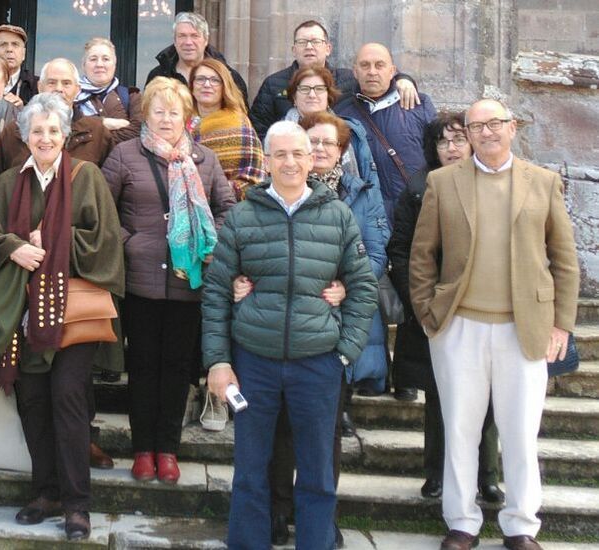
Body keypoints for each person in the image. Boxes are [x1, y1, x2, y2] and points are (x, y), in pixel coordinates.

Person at [410, 99, 579, 550]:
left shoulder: (543, 182)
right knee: (460, 429)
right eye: (477, 126)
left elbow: (564, 260)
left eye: (495, 124)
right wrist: (428, 313)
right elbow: (422, 254)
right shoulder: (443, 182)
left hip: (524, 328)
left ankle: (521, 526)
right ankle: (462, 522)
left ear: (512, 128)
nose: (487, 132)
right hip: (459, 326)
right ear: (467, 134)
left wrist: (561, 326)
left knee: (520, 432)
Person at [203, 120, 377, 550]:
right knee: (250, 471)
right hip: (254, 363)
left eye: (298, 153)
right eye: (280, 154)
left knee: (317, 473)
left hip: (318, 362)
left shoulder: (337, 215)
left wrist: (345, 351)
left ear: (311, 159)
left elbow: (363, 286)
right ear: (266, 161)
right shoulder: (243, 216)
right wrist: (219, 361)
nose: (290, 162)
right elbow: (217, 292)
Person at [0, 92, 124, 541]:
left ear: (65, 135)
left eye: (53, 130)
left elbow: (105, 240)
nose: (45, 138)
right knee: (33, 401)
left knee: (67, 399)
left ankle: (77, 503)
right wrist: (15, 247)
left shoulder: (87, 176)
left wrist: (54, 241)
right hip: (23, 310)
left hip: (72, 312)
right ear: (25, 136)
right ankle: (45, 492)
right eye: (36, 130)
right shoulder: (8, 183)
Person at [102, 76, 235, 484]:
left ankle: (168, 450)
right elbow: (101, 209)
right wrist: (130, 242)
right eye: (157, 111)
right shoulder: (124, 154)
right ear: (145, 115)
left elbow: (228, 207)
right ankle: (143, 450)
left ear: (186, 117)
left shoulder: (205, 160)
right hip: (140, 281)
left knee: (178, 370)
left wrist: (210, 240)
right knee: (143, 368)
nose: (165, 119)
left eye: (173, 112)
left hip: (188, 281)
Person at [388, 112, 504, 504]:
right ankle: (436, 473)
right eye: (443, 141)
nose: (451, 148)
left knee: (488, 396)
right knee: (440, 396)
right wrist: (419, 302)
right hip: (436, 310)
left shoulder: (491, 183)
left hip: (483, 306)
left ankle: (487, 476)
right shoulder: (418, 188)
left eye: (458, 140)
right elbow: (401, 250)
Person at [249, 20, 419, 139]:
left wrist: (403, 79)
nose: (309, 47)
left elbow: (376, 79)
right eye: (302, 42)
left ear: (328, 48)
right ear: (294, 50)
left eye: (316, 41)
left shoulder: (349, 79)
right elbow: (258, 130)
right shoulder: (273, 84)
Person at [334, 43, 435, 224]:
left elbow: (438, 155)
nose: (372, 72)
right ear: (355, 72)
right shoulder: (341, 113)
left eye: (379, 65)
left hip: (415, 213)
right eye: (365, 65)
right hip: (365, 219)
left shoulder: (418, 104)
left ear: (392, 71)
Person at [0, 58, 112, 186]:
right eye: (51, 83)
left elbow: (107, 188)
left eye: (66, 83)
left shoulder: (97, 132)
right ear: (39, 87)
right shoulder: (13, 131)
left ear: (78, 90)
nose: (59, 89)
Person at [188, 58, 265, 201]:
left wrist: (217, 191)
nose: (207, 84)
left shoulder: (238, 124)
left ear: (225, 87)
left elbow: (253, 178)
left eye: (215, 80)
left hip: (226, 207)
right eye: (200, 79)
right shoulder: (180, 122)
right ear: (192, 86)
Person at [145, 12, 247, 99]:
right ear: (175, 41)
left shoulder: (229, 77)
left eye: (195, 36)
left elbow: (240, 113)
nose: (188, 42)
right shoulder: (158, 76)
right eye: (182, 36)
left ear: (206, 40)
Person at [75, 37, 143, 145]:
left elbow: (137, 132)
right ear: (83, 66)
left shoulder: (132, 97)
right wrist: (104, 123)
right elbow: (68, 131)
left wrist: (90, 133)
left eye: (106, 59)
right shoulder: (71, 98)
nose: (99, 64)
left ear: (114, 65)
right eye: (93, 59)